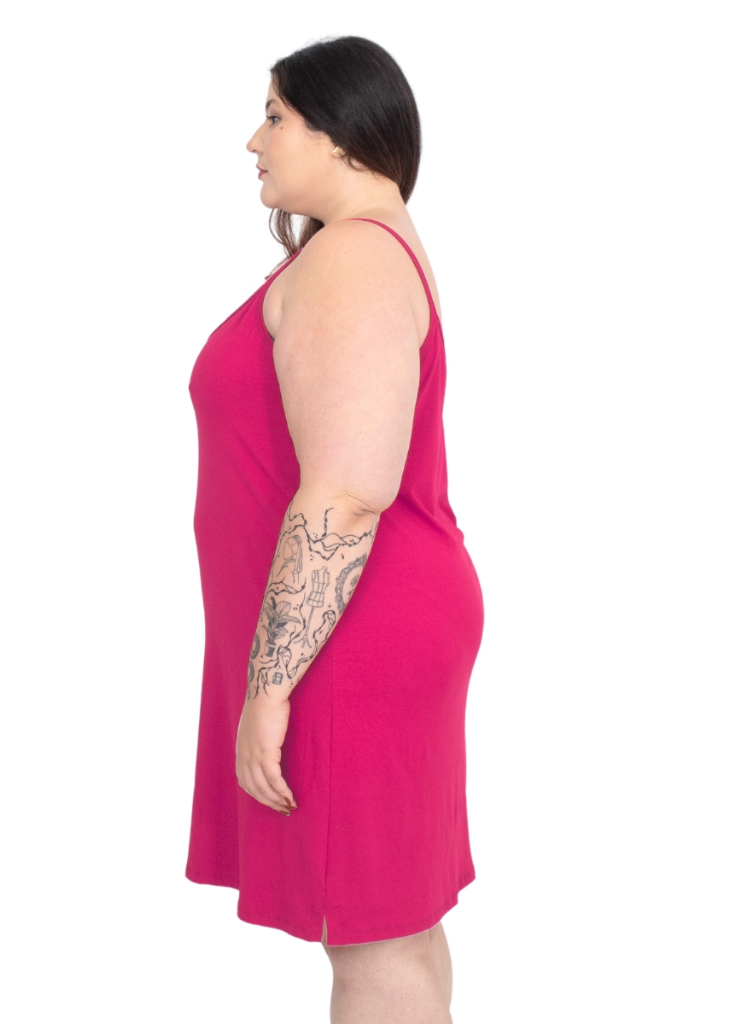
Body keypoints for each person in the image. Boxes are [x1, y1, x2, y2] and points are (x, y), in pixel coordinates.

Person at [185, 35, 485, 1024]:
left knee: (373, 934)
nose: (254, 140)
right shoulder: (364, 245)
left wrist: (270, 685)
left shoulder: (353, 256)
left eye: (275, 115)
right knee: (391, 924)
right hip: (360, 624)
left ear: (341, 132)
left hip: (348, 634)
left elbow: (349, 493)